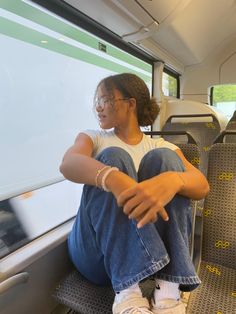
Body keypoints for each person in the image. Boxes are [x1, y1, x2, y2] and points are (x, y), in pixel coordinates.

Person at [60, 73, 209, 314]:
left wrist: (173, 179)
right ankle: (127, 293)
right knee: (114, 158)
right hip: (96, 253)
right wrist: (114, 178)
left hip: (148, 257)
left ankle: (168, 292)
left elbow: (202, 186)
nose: (98, 107)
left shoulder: (162, 147)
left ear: (131, 104)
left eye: (106, 99)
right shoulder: (93, 138)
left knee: (166, 162)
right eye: (96, 101)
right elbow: (68, 163)